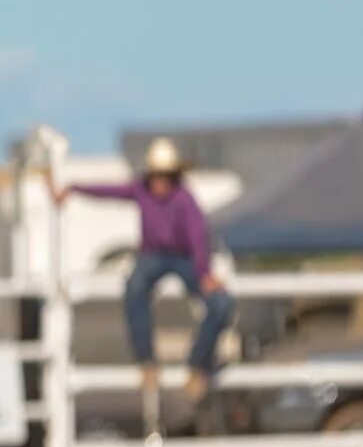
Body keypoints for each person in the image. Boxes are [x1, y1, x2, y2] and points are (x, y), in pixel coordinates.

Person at [48, 137, 235, 401]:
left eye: (165, 175)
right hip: (153, 256)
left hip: (183, 258)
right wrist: (74, 189)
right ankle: (146, 360)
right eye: (156, 175)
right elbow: (107, 192)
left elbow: (197, 237)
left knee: (221, 303)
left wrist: (204, 273)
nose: (160, 181)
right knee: (134, 287)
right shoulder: (141, 190)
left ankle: (198, 364)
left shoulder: (184, 199)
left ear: (174, 175)